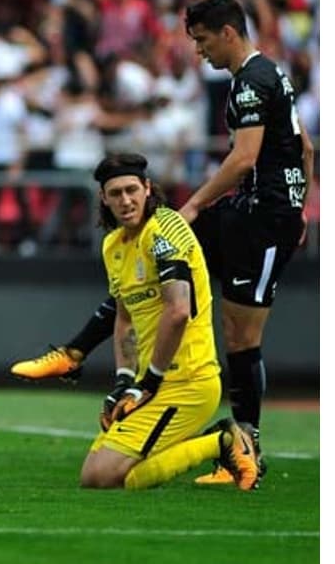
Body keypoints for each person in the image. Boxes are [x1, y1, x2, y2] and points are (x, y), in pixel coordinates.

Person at [12, 0, 313, 486]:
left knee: (241, 335)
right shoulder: (268, 74)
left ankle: (245, 446)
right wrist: (305, 197)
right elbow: (303, 144)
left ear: (228, 33)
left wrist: (196, 205)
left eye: (201, 40)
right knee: (153, 260)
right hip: (255, 211)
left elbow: (243, 159)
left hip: (264, 217)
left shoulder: (250, 85)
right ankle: (74, 352)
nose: (199, 51)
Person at [79, 153, 258, 492]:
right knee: (100, 472)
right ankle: (213, 442)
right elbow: (125, 318)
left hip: (186, 382)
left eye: (132, 189)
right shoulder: (112, 245)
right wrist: (123, 381)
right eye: (115, 193)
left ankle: (223, 440)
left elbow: (178, 311)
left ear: (148, 188)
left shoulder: (166, 227)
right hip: (154, 384)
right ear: (103, 198)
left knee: (100, 477)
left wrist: (147, 382)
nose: (125, 200)